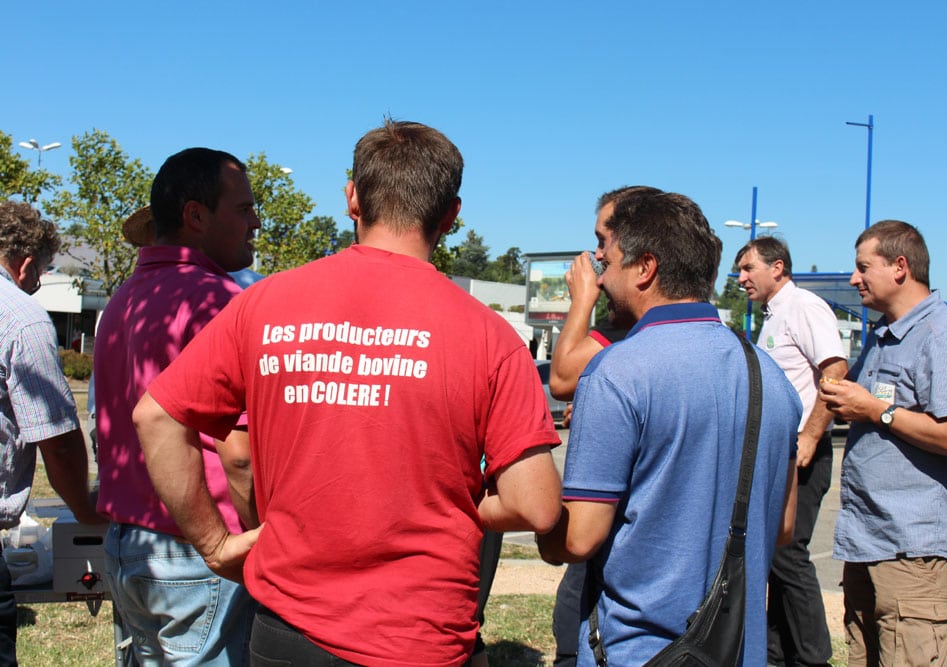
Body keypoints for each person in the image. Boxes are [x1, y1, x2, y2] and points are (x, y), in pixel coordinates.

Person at [133, 119, 564, 666]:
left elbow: (156, 417)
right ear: (451, 215)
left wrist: (215, 545)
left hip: (286, 631)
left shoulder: (263, 305)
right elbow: (537, 505)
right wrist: (453, 504)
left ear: (352, 198)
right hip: (418, 635)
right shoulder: (490, 337)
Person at [537, 190, 801, 666]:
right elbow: (782, 526)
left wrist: (537, 516)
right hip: (737, 649)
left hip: (639, 650)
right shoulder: (772, 378)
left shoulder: (618, 372)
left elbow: (578, 539)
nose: (601, 267)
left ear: (645, 268)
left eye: (610, 258)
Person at [93, 148, 261, 665]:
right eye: (244, 209)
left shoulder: (126, 297)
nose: (255, 223)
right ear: (196, 215)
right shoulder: (218, 301)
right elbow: (239, 453)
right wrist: (260, 541)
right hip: (201, 551)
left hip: (131, 547)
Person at [819, 220, 947, 667]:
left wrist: (877, 411)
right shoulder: (881, 336)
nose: (854, 279)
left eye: (862, 267)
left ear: (900, 267)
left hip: (919, 554)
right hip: (870, 543)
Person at [548, 185, 660, 667]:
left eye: (603, 240)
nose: (596, 255)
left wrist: (582, 300)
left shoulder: (630, 329)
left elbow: (562, 376)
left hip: (617, 543)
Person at [735, 236, 848, 667]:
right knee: (771, 557)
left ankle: (813, 657)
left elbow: (835, 370)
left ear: (777, 267)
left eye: (748, 268)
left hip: (801, 454)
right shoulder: (772, 317)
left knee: (787, 554)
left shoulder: (804, 307)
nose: (742, 278)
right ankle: (776, 656)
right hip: (778, 455)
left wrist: (811, 437)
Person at [0, 201, 104, 666]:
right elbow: (57, 437)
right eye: (41, 272)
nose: (38, 283)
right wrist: (85, 511)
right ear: (25, 264)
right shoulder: (21, 317)